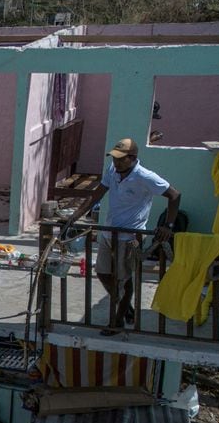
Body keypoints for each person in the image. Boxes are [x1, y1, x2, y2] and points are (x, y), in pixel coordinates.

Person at [64, 138, 181, 334]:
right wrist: (74, 216)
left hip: (130, 238)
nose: (116, 162)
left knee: (124, 280)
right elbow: (97, 194)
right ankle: (126, 307)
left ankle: (117, 321)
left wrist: (168, 225)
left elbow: (174, 195)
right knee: (102, 272)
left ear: (132, 158)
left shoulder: (145, 176)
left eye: (121, 159)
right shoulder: (113, 170)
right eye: (115, 158)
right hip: (109, 232)